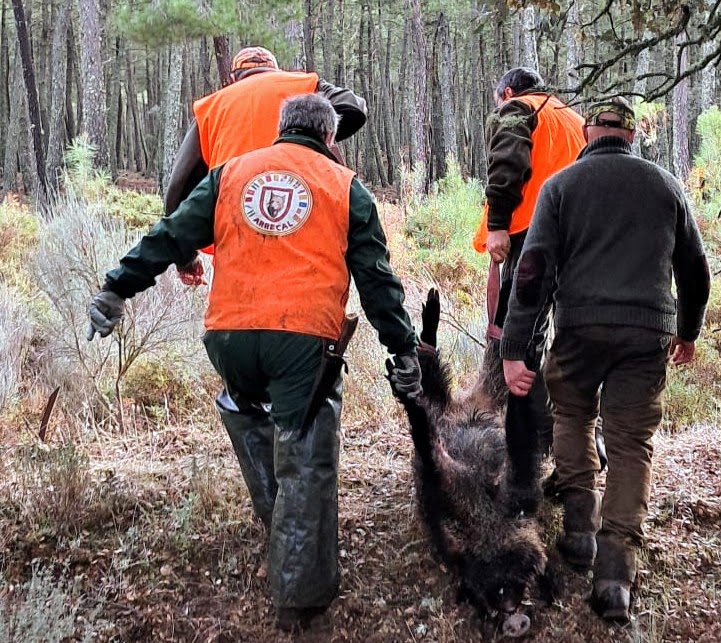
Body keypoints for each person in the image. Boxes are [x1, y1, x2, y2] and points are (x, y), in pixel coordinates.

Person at [87, 94, 422, 633]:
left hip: (229, 337)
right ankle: (301, 602)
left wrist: (115, 288)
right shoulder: (345, 187)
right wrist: (402, 348)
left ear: (281, 128)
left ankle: (282, 531)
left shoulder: (230, 173)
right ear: (330, 138)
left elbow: (170, 233)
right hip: (301, 343)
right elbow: (377, 281)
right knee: (306, 459)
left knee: (251, 416)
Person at [500, 97, 711, 624]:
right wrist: (686, 331)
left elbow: (532, 274)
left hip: (579, 329)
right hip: (647, 333)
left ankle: (578, 530)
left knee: (572, 415)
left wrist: (513, 350)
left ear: (588, 133)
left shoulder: (562, 186)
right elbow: (697, 269)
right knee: (631, 442)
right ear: (632, 136)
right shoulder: (666, 186)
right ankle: (616, 574)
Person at [166, 45, 368, 286]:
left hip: (236, 243)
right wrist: (316, 136)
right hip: (307, 236)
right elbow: (354, 106)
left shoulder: (212, 107)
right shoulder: (301, 86)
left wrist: (185, 258)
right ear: (275, 70)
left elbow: (177, 190)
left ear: (232, 79)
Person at [470, 67, 587, 457]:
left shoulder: (517, 109)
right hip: (580, 238)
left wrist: (498, 225)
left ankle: (533, 440)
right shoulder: (573, 117)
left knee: (521, 336)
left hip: (532, 236)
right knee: (570, 334)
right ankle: (576, 440)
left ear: (506, 92)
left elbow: (507, 164)